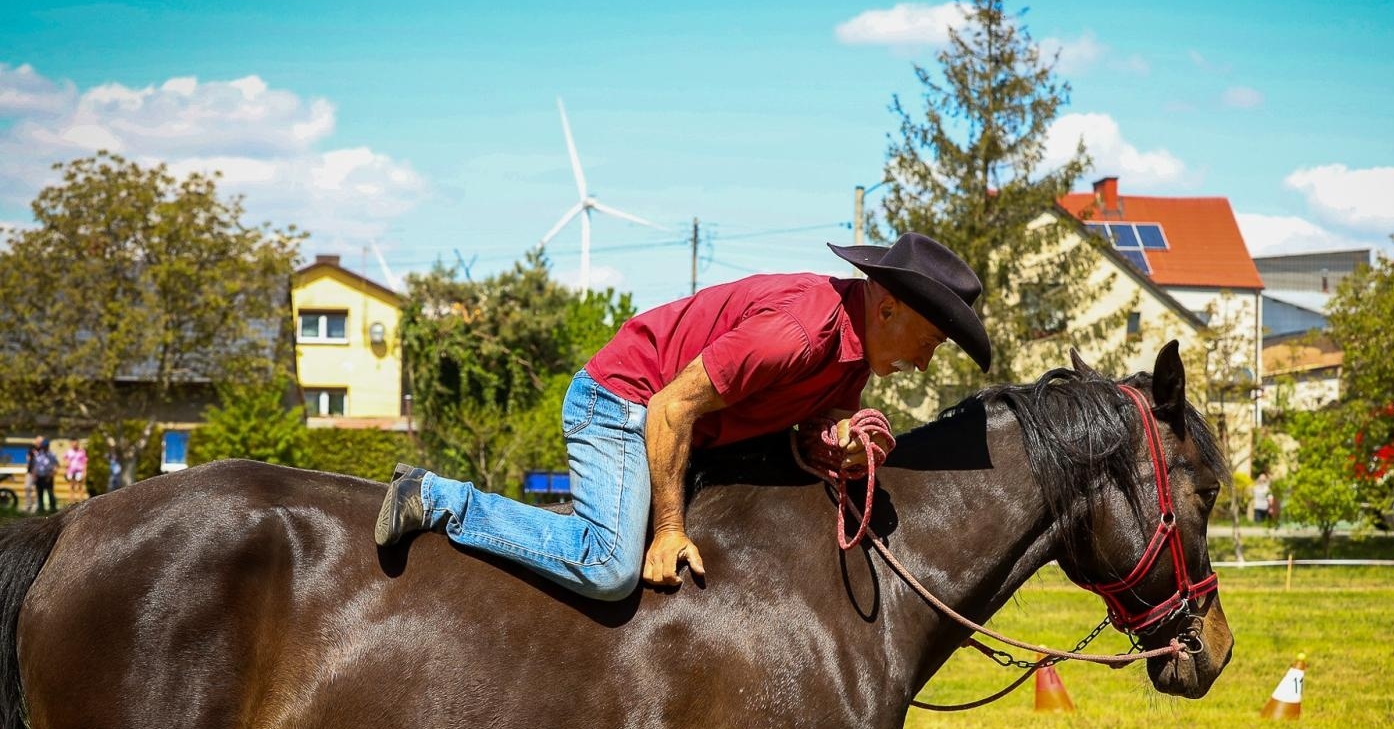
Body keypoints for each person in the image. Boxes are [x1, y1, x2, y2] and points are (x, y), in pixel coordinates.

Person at [375, 233, 991, 601]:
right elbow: (671, 409)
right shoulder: (798, 331)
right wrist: (668, 529)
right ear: (887, 310)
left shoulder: (853, 352)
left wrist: (845, 437)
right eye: (931, 340)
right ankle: (438, 499)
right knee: (608, 565)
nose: (925, 361)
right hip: (623, 402)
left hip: (688, 426)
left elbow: (818, 415)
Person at [29, 437, 57, 515]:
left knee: (50, 493)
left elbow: (56, 466)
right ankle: (41, 510)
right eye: (43, 446)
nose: (44, 447)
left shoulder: (52, 455)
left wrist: (51, 475)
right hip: (39, 477)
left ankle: (53, 509)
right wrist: (34, 476)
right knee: (40, 494)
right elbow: (34, 466)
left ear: (48, 446)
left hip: (48, 477)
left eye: (46, 446)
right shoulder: (38, 454)